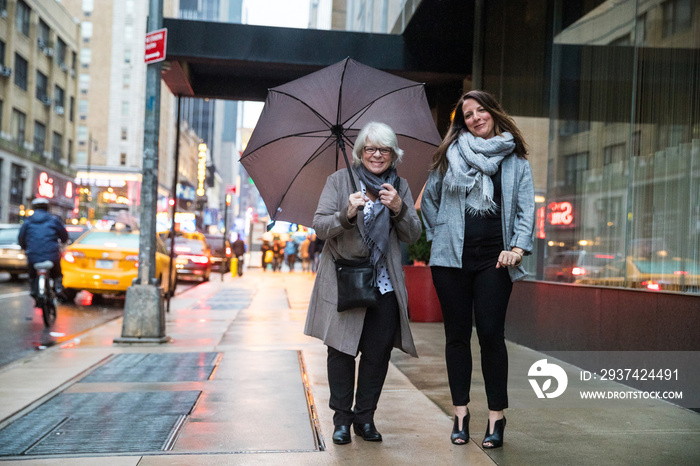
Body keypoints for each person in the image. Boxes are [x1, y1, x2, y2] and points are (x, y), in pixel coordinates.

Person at [421, 90, 535, 449]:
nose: (475, 117)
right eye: (467, 114)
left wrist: (517, 248)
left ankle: (496, 417)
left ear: (493, 113)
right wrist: (442, 235)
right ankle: (460, 414)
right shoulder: (449, 157)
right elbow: (429, 202)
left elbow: (526, 210)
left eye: (480, 110)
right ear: (462, 122)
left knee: (490, 335)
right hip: (450, 261)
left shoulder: (515, 160)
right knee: (456, 336)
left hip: (494, 261)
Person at [304, 121, 422, 445]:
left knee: (377, 353)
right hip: (346, 281)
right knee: (341, 351)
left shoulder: (399, 186)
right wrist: (347, 214)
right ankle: (341, 420)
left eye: (384, 149)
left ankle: (364, 418)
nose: (377, 155)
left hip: (383, 285)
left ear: (393, 154)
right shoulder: (340, 181)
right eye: (370, 148)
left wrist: (398, 208)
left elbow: (413, 233)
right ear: (359, 152)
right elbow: (319, 226)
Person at [18, 198, 69, 305]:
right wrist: (63, 242)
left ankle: (33, 290)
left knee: (32, 274)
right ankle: (58, 288)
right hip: (52, 255)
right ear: (47, 207)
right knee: (57, 273)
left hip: (33, 255)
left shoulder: (28, 221)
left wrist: (24, 248)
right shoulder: (54, 220)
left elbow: (21, 238)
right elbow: (64, 236)